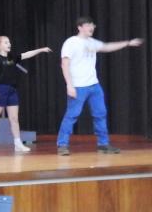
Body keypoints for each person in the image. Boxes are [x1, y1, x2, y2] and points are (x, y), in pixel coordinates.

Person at [56, 17, 144, 156]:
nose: (91, 27)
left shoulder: (92, 42)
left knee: (100, 114)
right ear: (80, 27)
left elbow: (107, 47)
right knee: (72, 115)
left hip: (94, 86)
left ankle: (103, 144)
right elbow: (64, 64)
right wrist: (69, 85)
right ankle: (62, 145)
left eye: (93, 25)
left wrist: (127, 43)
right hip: (78, 86)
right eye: (88, 25)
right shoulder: (71, 42)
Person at [0, 37, 51, 153]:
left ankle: (18, 143)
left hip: (12, 89)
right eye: (6, 42)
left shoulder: (12, 57)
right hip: (0, 89)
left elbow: (27, 54)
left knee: (14, 118)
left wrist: (41, 50)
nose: (9, 44)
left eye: (9, 42)